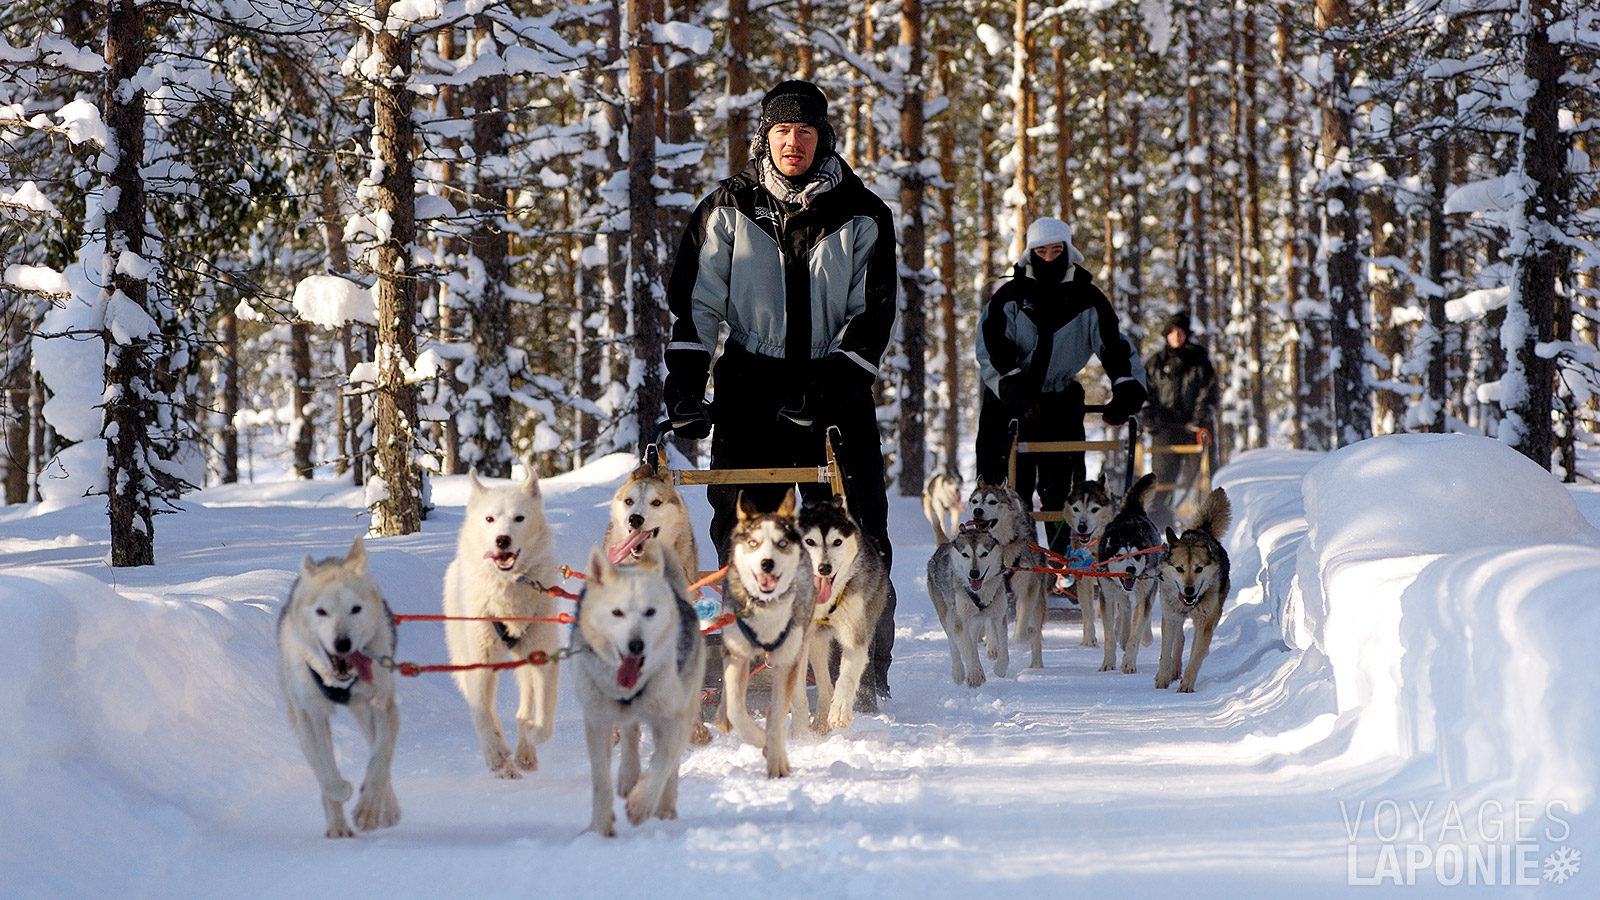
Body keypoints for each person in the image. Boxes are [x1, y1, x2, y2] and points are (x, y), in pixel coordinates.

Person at [661, 79, 899, 706]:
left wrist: (831, 387)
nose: (794, 142)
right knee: (742, 529)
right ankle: (734, 658)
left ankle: (861, 671)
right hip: (751, 384)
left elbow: (872, 316)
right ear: (765, 137)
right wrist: (685, 387)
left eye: (806, 131)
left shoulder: (863, 214)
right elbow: (697, 306)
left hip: (835, 386)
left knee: (854, 530)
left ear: (825, 139)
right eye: (782, 130)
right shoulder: (727, 208)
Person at [974, 216, 1147, 555]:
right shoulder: (1009, 297)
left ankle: (1064, 560)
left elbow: (1114, 345)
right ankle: (1012, 563)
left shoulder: (1087, 299)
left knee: (1063, 492)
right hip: (1008, 404)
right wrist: (1010, 382)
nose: (1049, 258)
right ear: (1030, 253)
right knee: (1007, 493)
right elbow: (989, 348)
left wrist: (1126, 386)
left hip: (1059, 403)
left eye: (1057, 251)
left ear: (1068, 251)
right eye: (1041, 252)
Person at [1142, 310, 1218, 529]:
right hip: (1164, 429)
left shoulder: (1199, 360)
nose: (1176, 336)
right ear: (1166, 334)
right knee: (1162, 480)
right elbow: (1146, 394)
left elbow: (1208, 392)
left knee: (1199, 479)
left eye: (1180, 332)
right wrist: (1149, 417)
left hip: (1194, 428)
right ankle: (1160, 522)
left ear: (1187, 334)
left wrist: (1200, 417)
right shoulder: (1155, 363)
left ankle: (1197, 523)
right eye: (1172, 332)